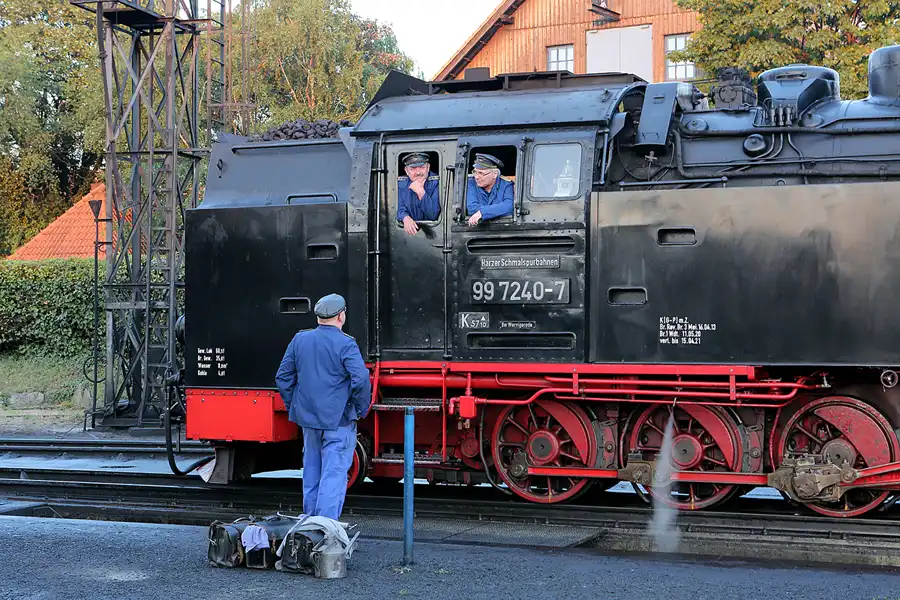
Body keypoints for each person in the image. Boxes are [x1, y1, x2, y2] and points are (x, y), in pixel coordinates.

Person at [275, 293, 371, 521]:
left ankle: (308, 527)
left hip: (309, 421)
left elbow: (283, 378)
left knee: (311, 473)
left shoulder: (300, 340)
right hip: (339, 421)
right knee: (334, 474)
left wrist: (295, 406)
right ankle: (325, 531)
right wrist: (359, 410)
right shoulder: (346, 344)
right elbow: (361, 380)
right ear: (341, 315)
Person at [397, 152, 441, 236]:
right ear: (406, 171)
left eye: (422, 167)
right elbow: (399, 208)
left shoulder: (437, 183)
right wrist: (405, 218)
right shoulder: (401, 185)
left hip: (435, 235)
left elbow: (433, 215)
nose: (418, 172)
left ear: (428, 167)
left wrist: (421, 192)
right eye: (412, 169)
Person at [466, 153, 514, 226]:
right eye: (475, 172)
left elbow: (509, 206)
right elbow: (472, 208)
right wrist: (497, 210)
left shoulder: (506, 185)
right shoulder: (471, 182)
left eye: (481, 173)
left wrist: (482, 212)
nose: (477, 177)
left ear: (494, 174)